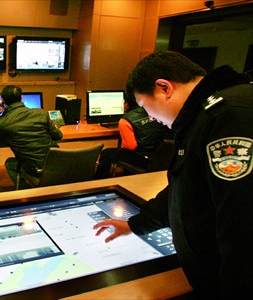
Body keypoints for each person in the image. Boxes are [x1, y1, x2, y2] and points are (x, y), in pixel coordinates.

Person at [93, 51, 252, 298]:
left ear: (164, 88)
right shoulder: (202, 116)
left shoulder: (227, 117)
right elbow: (185, 187)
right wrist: (134, 225)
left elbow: (241, 225)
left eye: (145, 106)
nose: (150, 118)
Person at [0, 85, 63, 188]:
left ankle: (26, 190)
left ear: (2, 101)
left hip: (36, 171)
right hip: (57, 165)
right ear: (21, 98)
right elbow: (58, 136)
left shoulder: (2, 123)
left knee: (10, 163)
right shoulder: (41, 113)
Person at [94, 91, 171, 179]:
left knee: (106, 153)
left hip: (142, 158)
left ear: (126, 104)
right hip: (160, 156)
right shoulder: (153, 112)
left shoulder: (126, 120)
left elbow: (130, 146)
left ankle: (99, 181)